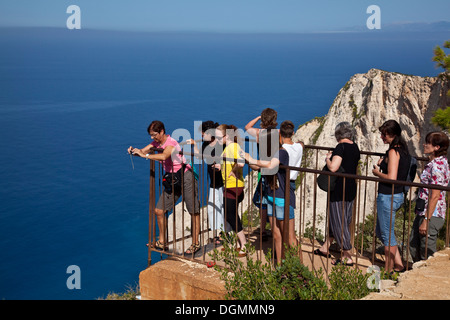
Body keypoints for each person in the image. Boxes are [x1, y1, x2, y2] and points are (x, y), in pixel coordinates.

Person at [128, 120, 201, 255]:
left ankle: (196, 243)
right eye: (150, 135)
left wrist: (146, 155)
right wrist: (134, 151)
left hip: (186, 176)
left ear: (162, 132)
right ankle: (162, 241)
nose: (152, 137)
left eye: (154, 134)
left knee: (193, 210)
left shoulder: (171, 143)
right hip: (172, 179)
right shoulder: (156, 143)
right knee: (159, 210)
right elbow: (143, 151)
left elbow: (163, 155)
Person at [241, 128, 294, 263]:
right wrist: (247, 159)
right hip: (270, 196)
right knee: (276, 234)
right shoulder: (268, 154)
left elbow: (270, 166)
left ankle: (296, 268)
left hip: (282, 197)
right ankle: (281, 266)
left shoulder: (281, 153)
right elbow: (259, 167)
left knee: (288, 236)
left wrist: (252, 159)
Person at [314, 122, 360, 266]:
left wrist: (328, 158)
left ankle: (347, 255)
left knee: (338, 222)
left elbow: (333, 167)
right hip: (351, 187)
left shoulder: (341, 147)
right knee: (342, 219)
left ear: (338, 135)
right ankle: (325, 247)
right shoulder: (355, 147)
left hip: (340, 188)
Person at [372, 119, 410, 273]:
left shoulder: (393, 152)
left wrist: (377, 173)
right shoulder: (404, 151)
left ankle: (388, 270)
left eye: (384, 134)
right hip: (397, 195)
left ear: (392, 135)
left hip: (388, 196)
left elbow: (392, 177)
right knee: (382, 231)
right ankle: (399, 264)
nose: (382, 137)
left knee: (387, 235)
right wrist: (384, 163)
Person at [409, 131, 449, 261]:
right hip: (425, 211)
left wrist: (426, 220)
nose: (424, 144)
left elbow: (435, 196)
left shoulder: (437, 166)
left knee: (427, 251)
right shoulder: (435, 163)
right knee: (414, 245)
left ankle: (427, 278)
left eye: (427, 143)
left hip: (432, 214)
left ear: (436, 147)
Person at [186, 121, 228, 246]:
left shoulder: (222, 144)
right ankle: (220, 231)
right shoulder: (206, 144)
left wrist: (221, 162)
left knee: (224, 207)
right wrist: (195, 145)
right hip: (214, 181)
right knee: (212, 208)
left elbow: (229, 157)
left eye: (203, 133)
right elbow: (201, 157)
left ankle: (225, 233)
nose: (202, 135)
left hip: (224, 181)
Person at [213, 124, 247, 257]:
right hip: (230, 185)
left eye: (218, 137)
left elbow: (241, 162)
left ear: (226, 136)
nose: (216, 140)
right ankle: (238, 244)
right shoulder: (228, 147)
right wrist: (220, 165)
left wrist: (233, 171)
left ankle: (244, 244)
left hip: (234, 185)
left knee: (230, 215)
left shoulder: (233, 146)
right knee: (231, 214)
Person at [245, 108, 278, 240]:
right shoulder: (278, 133)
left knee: (263, 202)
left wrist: (258, 118)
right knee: (274, 200)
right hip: (275, 169)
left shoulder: (259, 133)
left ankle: (263, 230)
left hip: (263, 170)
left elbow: (247, 127)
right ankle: (275, 230)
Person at [280, 120, 303, 247]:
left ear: (280, 133)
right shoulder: (299, 147)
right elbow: (302, 144)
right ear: (293, 133)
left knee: (286, 223)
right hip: (292, 183)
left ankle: (291, 255)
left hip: (282, 185)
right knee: (287, 218)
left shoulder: (282, 150)